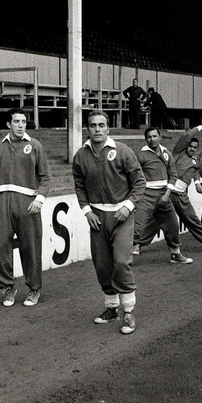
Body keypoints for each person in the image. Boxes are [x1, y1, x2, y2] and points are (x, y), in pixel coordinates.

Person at [72, 109, 146, 334]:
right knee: (102, 265)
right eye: (93, 125)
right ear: (88, 128)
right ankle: (112, 308)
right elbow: (79, 186)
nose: (97, 130)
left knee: (121, 263)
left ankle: (129, 312)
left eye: (101, 125)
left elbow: (140, 182)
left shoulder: (122, 151)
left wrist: (128, 206)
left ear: (108, 128)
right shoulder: (81, 156)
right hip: (97, 217)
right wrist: (87, 211)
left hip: (121, 215)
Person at [0, 108, 51, 307]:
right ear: (8, 124)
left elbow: (46, 177)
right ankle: (7, 288)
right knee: (1, 246)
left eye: (23, 121)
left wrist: (39, 199)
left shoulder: (35, 145)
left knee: (30, 246)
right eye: (16, 121)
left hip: (28, 202)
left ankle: (33, 289)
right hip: (4, 200)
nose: (21, 125)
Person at [132, 127, 192, 264]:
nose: (152, 139)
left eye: (154, 136)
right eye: (149, 137)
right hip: (146, 196)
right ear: (145, 139)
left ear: (159, 137)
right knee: (137, 227)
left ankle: (175, 254)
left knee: (172, 224)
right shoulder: (140, 155)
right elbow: (135, 177)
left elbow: (173, 175)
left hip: (164, 195)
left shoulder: (166, 153)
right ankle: (122, 257)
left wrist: (167, 194)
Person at [171, 120, 202, 253]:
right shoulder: (178, 153)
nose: (192, 149)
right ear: (186, 146)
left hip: (181, 195)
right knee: (152, 219)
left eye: (195, 147)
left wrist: (198, 183)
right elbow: (186, 136)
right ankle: (136, 244)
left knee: (193, 220)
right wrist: (201, 127)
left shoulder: (197, 161)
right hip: (167, 192)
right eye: (190, 146)